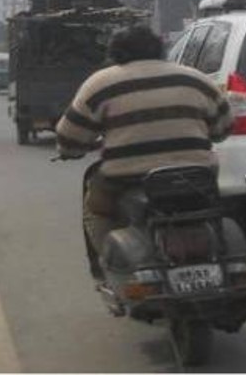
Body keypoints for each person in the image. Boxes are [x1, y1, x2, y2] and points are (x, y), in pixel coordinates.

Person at [55, 24, 232, 283]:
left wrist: (70, 150)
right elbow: (224, 127)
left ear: (114, 53)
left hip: (127, 177)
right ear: (160, 49)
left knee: (97, 210)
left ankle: (111, 268)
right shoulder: (195, 78)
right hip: (196, 175)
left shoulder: (100, 83)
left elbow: (69, 137)